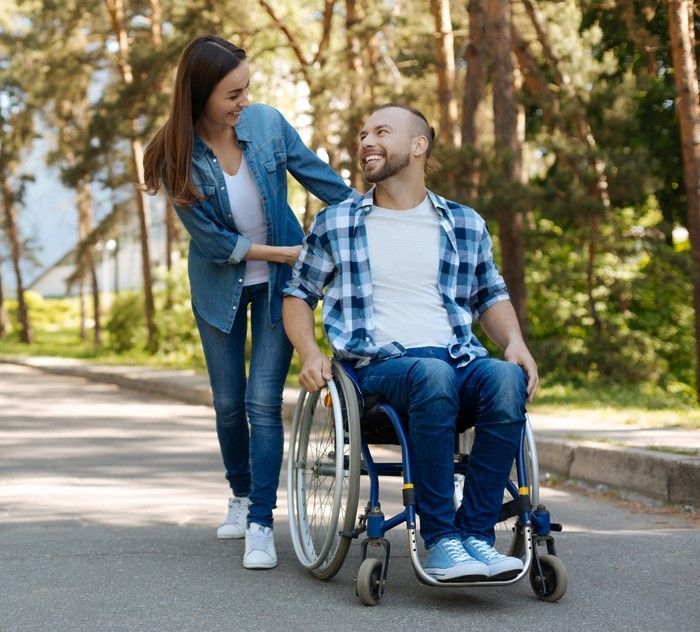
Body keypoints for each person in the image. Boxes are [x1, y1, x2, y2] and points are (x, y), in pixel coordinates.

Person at [282, 104, 539, 582]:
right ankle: (441, 539)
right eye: (362, 134)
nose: (366, 142)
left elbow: (490, 295)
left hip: (458, 358)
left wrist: (516, 344)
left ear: (419, 146)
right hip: (378, 368)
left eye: (381, 131)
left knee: (505, 378)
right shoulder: (337, 222)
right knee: (431, 374)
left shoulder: (463, 222)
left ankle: (477, 538)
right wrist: (310, 352)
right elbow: (298, 295)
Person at [142, 35, 354, 570]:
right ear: (199, 95)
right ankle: (239, 494)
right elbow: (214, 243)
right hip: (220, 286)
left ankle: (261, 522)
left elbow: (318, 177)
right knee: (229, 402)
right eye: (232, 94)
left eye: (247, 90)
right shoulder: (174, 155)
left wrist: (373, 212)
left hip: (281, 288)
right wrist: (286, 252)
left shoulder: (265, 124)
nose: (243, 103)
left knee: (263, 402)